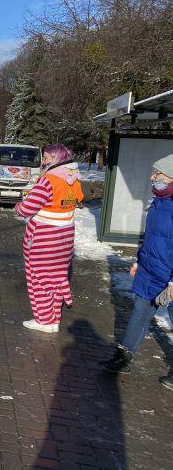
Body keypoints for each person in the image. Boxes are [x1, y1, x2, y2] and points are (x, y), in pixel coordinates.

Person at [99, 154, 173, 389]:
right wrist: (140, 261)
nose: (153, 178)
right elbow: (151, 239)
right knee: (140, 313)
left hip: (170, 278)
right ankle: (124, 357)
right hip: (150, 271)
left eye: (158, 175)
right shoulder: (158, 202)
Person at [14, 144, 84, 333]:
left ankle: (43, 320)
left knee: (39, 279)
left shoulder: (49, 180)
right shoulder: (73, 179)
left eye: (46, 157)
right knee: (56, 279)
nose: (43, 161)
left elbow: (28, 208)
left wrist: (18, 207)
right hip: (65, 239)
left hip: (43, 239)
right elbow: (77, 200)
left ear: (56, 159)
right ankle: (53, 320)